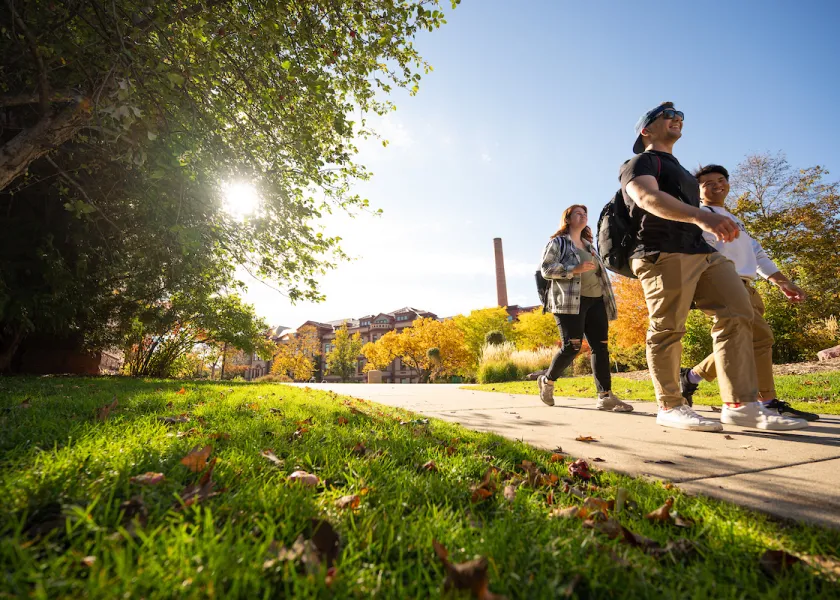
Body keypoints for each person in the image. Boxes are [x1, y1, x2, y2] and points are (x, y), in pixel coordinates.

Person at [620, 101, 807, 431]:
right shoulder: (641, 162)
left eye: (680, 116)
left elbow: (750, 247)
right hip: (660, 251)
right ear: (645, 130)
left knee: (739, 314)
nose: (677, 119)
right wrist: (700, 215)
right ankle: (670, 404)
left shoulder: (679, 171)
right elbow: (646, 198)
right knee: (668, 327)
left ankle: (741, 405)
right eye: (667, 116)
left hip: (701, 253)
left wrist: (777, 277)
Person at [679, 164, 819, 421]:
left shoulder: (735, 220)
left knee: (747, 341)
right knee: (757, 339)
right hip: (723, 283)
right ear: (698, 190)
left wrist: (782, 282)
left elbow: (756, 253)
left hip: (747, 286)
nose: (717, 185)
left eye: (721, 180)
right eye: (708, 182)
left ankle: (691, 377)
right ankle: (764, 401)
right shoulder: (700, 216)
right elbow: (700, 256)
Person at [538, 204, 634, 413]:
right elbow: (546, 269)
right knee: (572, 347)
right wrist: (574, 269)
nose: (583, 216)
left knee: (600, 347)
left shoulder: (590, 246)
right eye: (578, 214)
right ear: (568, 219)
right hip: (570, 302)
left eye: (585, 214)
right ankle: (548, 381)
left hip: (597, 299)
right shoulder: (558, 243)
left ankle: (605, 396)